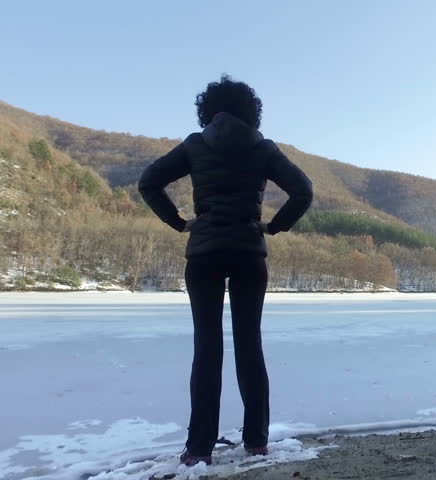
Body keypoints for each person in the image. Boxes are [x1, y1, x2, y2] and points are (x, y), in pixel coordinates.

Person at [138, 75, 313, 467]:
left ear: (208, 109)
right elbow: (303, 191)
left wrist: (180, 222)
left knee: (207, 347)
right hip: (249, 252)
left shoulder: (195, 145)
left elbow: (148, 182)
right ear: (251, 111)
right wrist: (273, 226)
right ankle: (256, 441)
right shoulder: (262, 147)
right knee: (249, 345)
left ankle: (198, 448)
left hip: (203, 255)